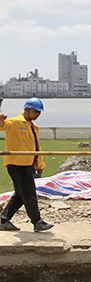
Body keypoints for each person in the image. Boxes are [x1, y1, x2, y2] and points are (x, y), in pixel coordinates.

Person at [0, 98, 54, 232]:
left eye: (39, 112)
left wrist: (39, 164)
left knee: (20, 195)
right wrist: (1, 120)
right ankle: (37, 222)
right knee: (29, 194)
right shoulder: (15, 122)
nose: (38, 115)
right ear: (27, 110)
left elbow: (36, 148)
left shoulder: (33, 127)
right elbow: (3, 125)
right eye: (35, 112)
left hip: (27, 165)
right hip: (17, 164)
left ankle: (3, 220)